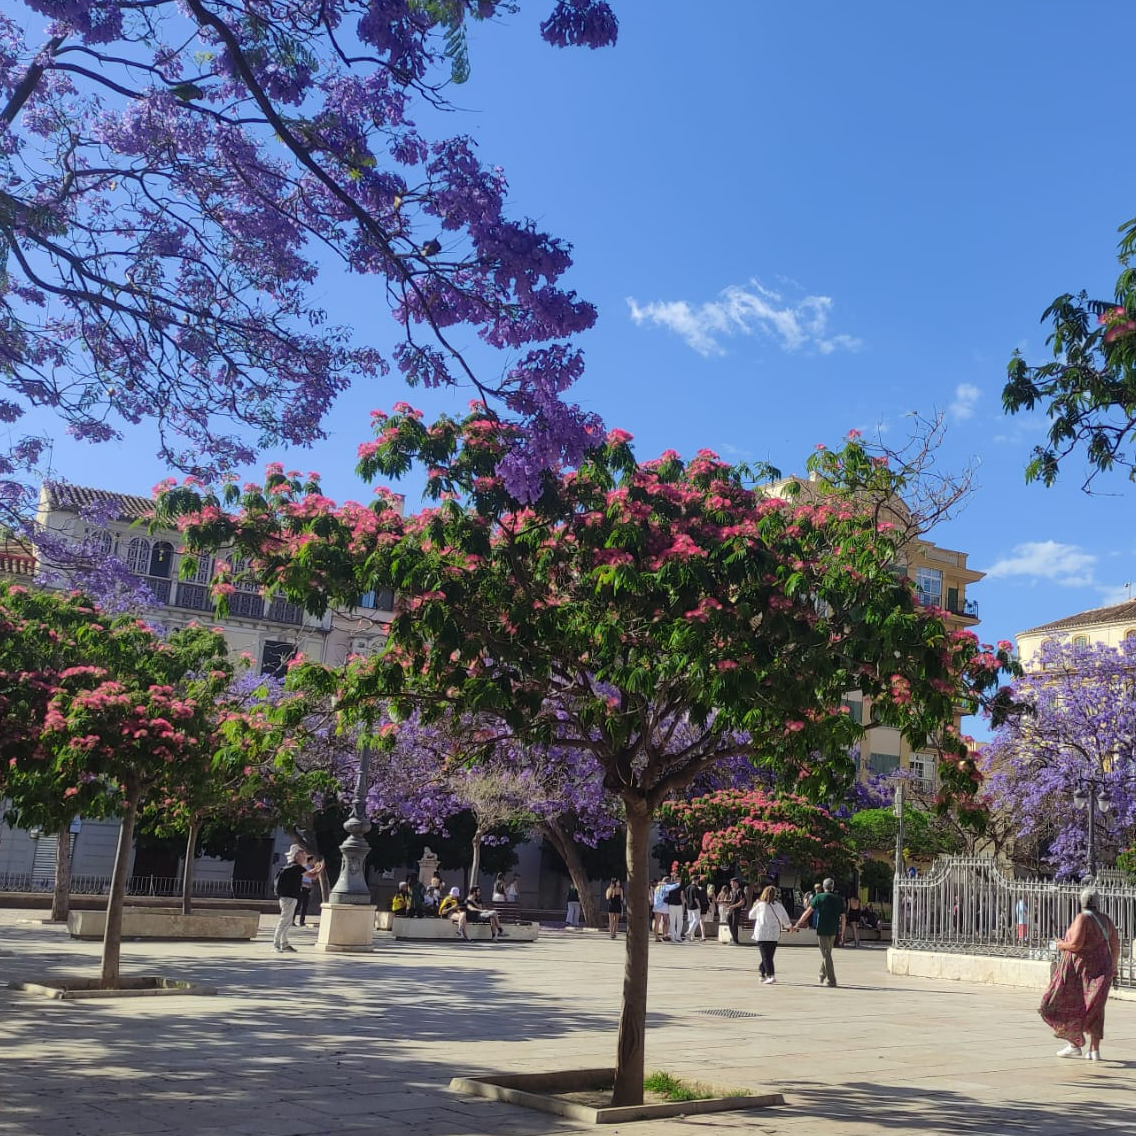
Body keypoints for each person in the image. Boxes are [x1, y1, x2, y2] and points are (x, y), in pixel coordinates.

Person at [1040, 887, 1120, 1060]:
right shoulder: (1106, 920)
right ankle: (1094, 1050)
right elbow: (1115, 945)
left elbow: (1076, 945)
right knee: (1096, 1007)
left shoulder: (1082, 918)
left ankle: (1074, 1044)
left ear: (1081, 901)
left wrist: (1061, 944)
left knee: (1070, 1004)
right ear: (1098, 902)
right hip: (1102, 969)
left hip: (1081, 971)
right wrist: (1113, 967)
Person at [791, 876, 845, 986]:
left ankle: (832, 980)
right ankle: (821, 974)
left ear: (823, 887)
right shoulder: (839, 899)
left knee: (826, 954)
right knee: (827, 953)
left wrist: (797, 924)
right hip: (833, 930)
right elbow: (843, 917)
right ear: (833, 887)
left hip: (822, 929)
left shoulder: (819, 897)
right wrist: (842, 933)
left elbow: (808, 912)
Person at [273, 845, 323, 953]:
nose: (304, 856)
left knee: (287, 921)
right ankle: (276, 944)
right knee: (284, 921)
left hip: (286, 897)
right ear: (296, 855)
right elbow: (313, 876)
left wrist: (316, 868)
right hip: (289, 898)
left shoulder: (291, 867)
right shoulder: (297, 867)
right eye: (302, 853)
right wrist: (321, 868)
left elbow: (307, 872)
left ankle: (284, 943)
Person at [750, 884, 792, 983]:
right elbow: (785, 919)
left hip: (762, 933)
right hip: (774, 934)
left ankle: (770, 975)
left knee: (766, 956)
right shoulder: (779, 906)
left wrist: (755, 905)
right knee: (769, 955)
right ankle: (762, 971)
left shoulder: (760, 905)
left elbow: (751, 916)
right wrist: (790, 927)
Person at [685, 876, 709, 942]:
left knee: (691, 921)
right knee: (696, 920)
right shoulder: (695, 888)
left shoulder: (687, 887)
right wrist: (699, 906)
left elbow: (685, 897)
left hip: (688, 906)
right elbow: (696, 898)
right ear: (697, 880)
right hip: (695, 906)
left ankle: (691, 936)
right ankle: (689, 932)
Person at [724, 876, 747, 945]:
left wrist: (733, 906)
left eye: (732, 883)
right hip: (731, 910)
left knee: (734, 925)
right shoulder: (733, 891)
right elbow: (733, 901)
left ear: (736, 883)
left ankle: (735, 940)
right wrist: (726, 903)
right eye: (731, 883)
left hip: (736, 910)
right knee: (730, 923)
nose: (731, 884)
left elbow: (742, 902)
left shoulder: (739, 891)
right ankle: (734, 938)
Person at [665, 874, 686, 943]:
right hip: (678, 904)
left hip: (671, 904)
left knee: (672, 921)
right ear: (676, 879)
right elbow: (682, 896)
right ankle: (678, 936)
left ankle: (673, 937)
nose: (680, 880)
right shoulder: (679, 885)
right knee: (680, 921)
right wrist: (683, 906)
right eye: (679, 879)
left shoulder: (669, 885)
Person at [294, 862, 314, 927]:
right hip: (302, 888)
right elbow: (300, 880)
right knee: (298, 905)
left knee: (304, 906)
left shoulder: (311, 868)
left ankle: (302, 921)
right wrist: (306, 884)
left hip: (307, 889)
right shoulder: (305, 867)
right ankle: (292, 920)